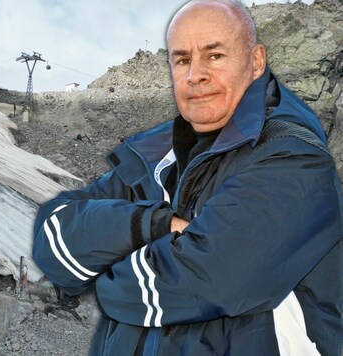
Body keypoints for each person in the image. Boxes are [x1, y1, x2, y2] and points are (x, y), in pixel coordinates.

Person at [32, 0, 343, 355]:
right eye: (182, 60)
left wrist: (102, 272)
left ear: (255, 61)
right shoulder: (154, 155)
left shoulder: (293, 158)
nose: (195, 74)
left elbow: (207, 281)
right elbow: (52, 241)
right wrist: (152, 224)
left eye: (214, 56)